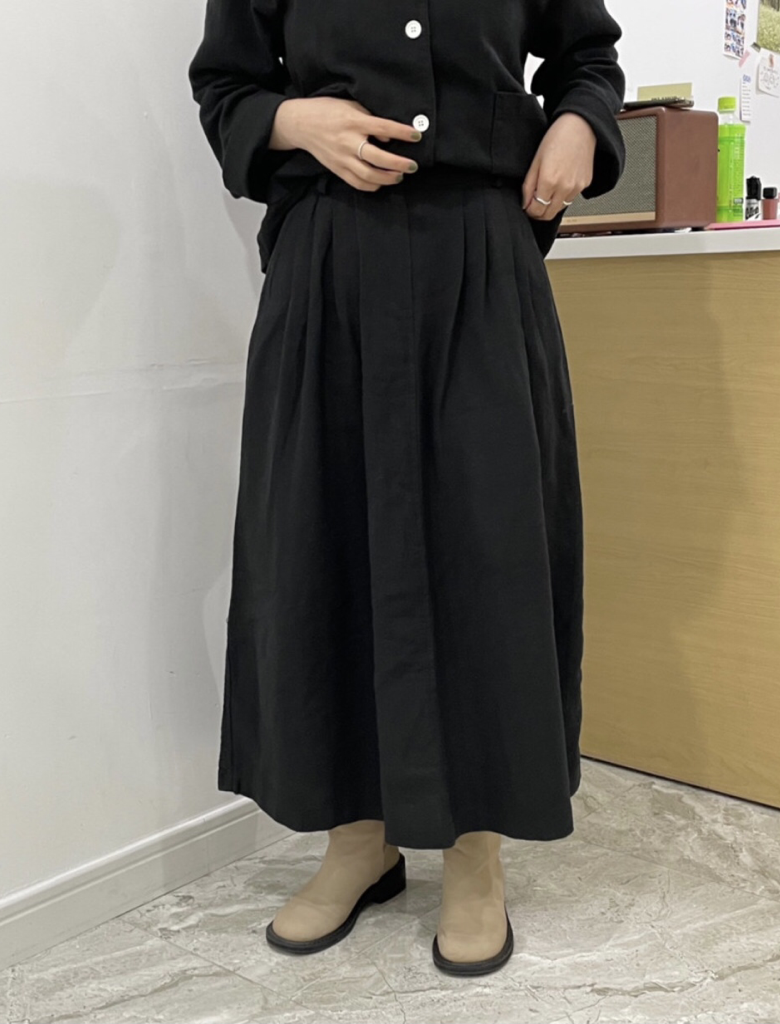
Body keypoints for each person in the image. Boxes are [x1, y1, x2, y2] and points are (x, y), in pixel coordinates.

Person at [188, 0, 625, 976]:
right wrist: (294, 121)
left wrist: (578, 124)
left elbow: (588, 58)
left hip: (483, 257)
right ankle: (358, 838)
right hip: (328, 262)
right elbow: (225, 85)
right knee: (324, 544)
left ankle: (475, 850)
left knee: (490, 553)